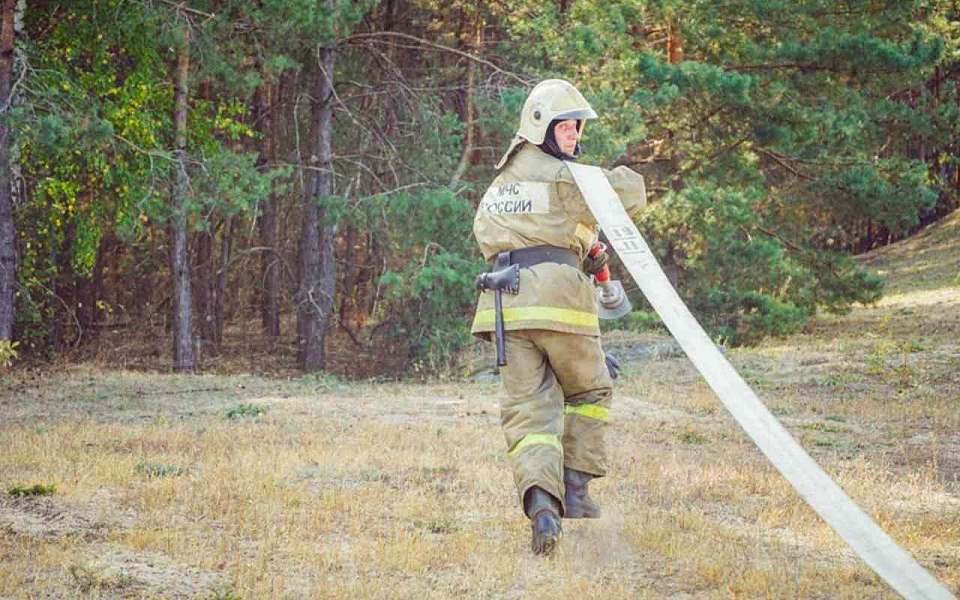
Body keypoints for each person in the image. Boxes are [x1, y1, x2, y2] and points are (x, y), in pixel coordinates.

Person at [471, 79, 647, 555]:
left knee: (528, 412)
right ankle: (575, 492)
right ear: (540, 127)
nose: (573, 135)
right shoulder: (563, 176)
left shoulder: (500, 183)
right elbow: (627, 197)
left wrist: (584, 250)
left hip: (504, 306)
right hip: (559, 302)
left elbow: (503, 236)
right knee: (590, 391)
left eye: (575, 127)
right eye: (565, 127)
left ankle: (542, 508)